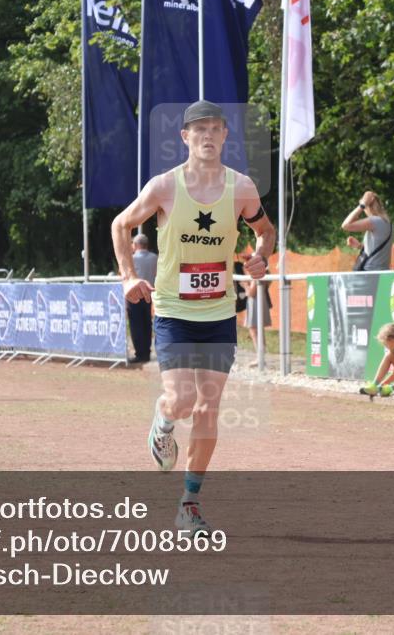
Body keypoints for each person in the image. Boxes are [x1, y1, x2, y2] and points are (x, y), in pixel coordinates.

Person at [110, 100, 275, 535]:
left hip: (220, 310)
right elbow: (120, 224)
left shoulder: (242, 189)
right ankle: (163, 425)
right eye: (197, 129)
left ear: (225, 136)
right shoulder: (164, 187)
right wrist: (128, 277)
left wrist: (260, 258)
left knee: (207, 409)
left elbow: (266, 231)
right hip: (174, 310)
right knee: (181, 400)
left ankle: (190, 503)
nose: (206, 136)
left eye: (215, 129)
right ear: (184, 138)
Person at [341, 191, 392, 271]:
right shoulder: (387, 222)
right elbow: (378, 251)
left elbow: (345, 225)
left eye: (364, 209)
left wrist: (362, 205)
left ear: (368, 207)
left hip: (370, 271)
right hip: (383, 271)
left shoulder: (375, 221)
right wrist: (360, 246)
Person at [127, 234, 158, 363]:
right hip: (150, 293)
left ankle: (140, 353)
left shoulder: (131, 259)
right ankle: (147, 351)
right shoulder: (154, 257)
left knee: (136, 325)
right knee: (147, 323)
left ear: (136, 245)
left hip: (134, 295)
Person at [243, 274, 272, 367]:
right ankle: (261, 357)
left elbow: (251, 293)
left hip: (255, 302)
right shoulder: (265, 272)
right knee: (258, 330)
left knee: (254, 330)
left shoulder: (256, 273)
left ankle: (260, 358)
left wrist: (244, 285)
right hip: (259, 300)